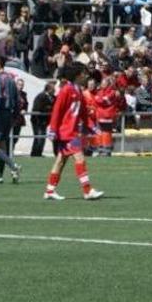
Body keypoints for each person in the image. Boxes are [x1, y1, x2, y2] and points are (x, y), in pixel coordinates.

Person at [43, 62, 104, 201]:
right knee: (79, 157)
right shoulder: (66, 90)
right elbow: (57, 110)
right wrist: (52, 129)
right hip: (66, 133)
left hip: (73, 132)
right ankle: (87, 190)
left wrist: (92, 127)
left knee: (60, 161)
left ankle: (50, 190)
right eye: (83, 73)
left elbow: (83, 113)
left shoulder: (78, 90)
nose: (86, 76)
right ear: (77, 75)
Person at [0, 56, 22, 184]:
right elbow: (18, 100)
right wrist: (15, 116)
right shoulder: (11, 79)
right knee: (2, 145)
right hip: (8, 115)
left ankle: (14, 166)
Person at [30, 81, 55, 157]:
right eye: (53, 89)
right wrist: (49, 109)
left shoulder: (53, 98)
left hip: (44, 122)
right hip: (38, 121)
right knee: (39, 138)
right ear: (49, 89)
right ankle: (36, 153)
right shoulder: (41, 96)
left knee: (41, 137)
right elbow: (37, 108)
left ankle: (38, 153)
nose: (54, 91)